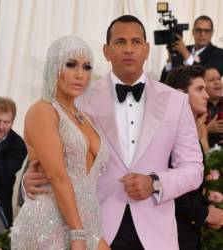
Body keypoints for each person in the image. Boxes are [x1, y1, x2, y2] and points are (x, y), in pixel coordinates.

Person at [24, 15, 204, 250]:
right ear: (106, 51)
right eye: (120, 42)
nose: (129, 49)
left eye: (136, 42)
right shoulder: (78, 100)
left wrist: (155, 183)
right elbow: (50, 159)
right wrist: (30, 180)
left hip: (157, 234)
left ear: (147, 49)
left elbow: (193, 168)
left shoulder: (176, 102)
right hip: (95, 230)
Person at [11, 36, 110, 250]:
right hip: (49, 224)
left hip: (88, 224)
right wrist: (77, 233)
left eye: (86, 67)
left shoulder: (84, 117)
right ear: (54, 66)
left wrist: (81, 231)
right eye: (71, 64)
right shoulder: (43, 110)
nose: (79, 75)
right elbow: (57, 176)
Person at [166, 65, 223, 250]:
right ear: (180, 94)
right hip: (172, 235)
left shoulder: (190, 132)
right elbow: (171, 195)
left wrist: (210, 208)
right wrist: (206, 213)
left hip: (188, 233)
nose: (206, 96)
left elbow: (191, 191)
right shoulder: (169, 134)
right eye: (199, 89)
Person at [0, 97, 27, 226]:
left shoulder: (18, 145)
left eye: (6, 122)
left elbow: (1, 177)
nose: (1, 127)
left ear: (12, 122)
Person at [160, 15, 223, 82]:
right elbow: (164, 80)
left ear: (212, 33)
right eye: (198, 30)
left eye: (207, 31)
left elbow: (205, 76)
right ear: (193, 31)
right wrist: (170, 59)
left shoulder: (219, 54)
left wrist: (185, 53)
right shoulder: (181, 49)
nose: (202, 34)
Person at [203, 67, 223, 147]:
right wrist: (207, 129)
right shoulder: (196, 106)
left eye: (219, 79)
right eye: (211, 80)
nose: (217, 82)